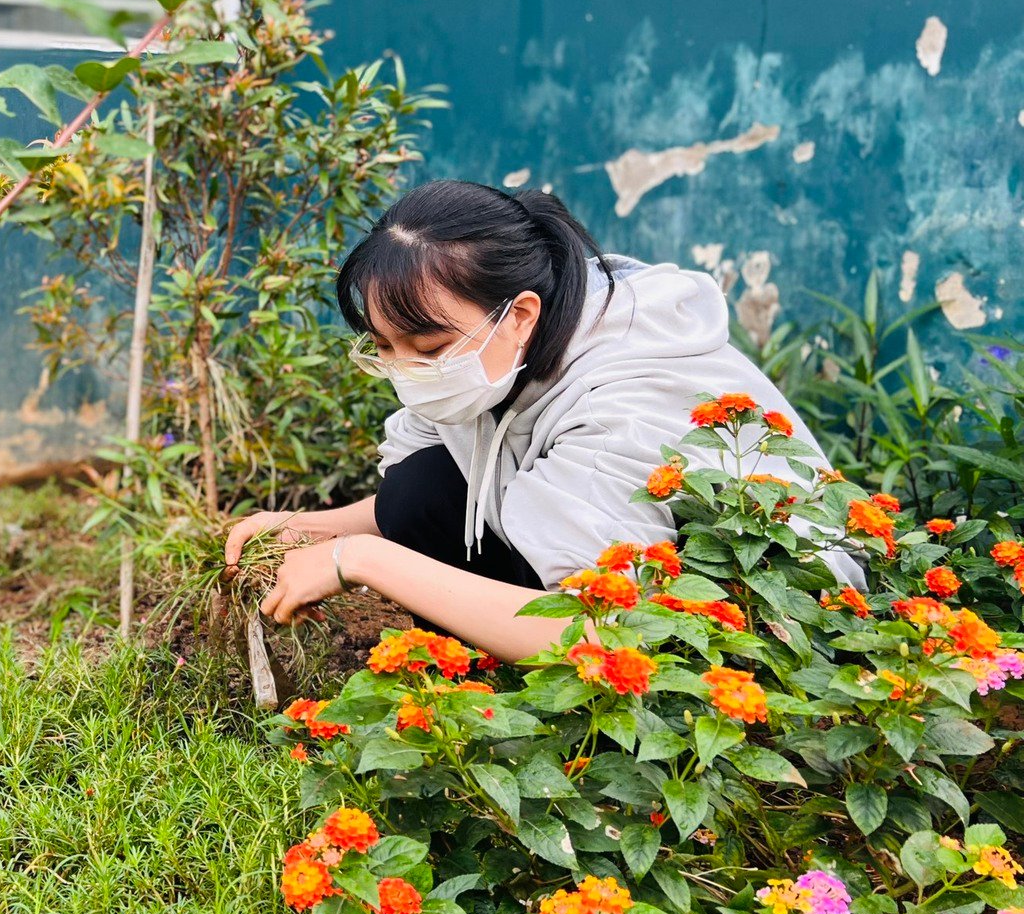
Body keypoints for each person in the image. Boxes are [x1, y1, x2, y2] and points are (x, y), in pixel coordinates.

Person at [224, 180, 851, 660]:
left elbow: (605, 630)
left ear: (520, 314)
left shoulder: (623, 399)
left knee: (419, 518)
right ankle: (483, 681)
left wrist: (360, 560)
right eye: (385, 348)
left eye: (431, 349)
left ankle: (554, 712)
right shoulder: (498, 353)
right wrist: (303, 527)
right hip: (619, 564)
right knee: (418, 487)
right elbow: (442, 487)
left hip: (756, 623)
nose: (406, 370)